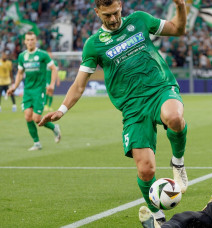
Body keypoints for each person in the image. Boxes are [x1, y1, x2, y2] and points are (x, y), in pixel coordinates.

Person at [38, 0, 188, 223]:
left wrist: (180, 6)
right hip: (132, 108)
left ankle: (178, 162)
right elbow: (79, 85)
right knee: (146, 170)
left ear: (121, 6)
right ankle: (157, 217)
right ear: (97, 13)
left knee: (174, 117)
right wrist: (62, 110)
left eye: (116, 13)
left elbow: (178, 29)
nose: (114, 19)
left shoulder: (140, 19)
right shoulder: (94, 45)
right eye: (107, 15)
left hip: (160, 89)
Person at [7, 31, 61, 151]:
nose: (30, 42)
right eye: (28, 40)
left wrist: (51, 84)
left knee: (37, 119)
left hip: (39, 90)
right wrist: (14, 87)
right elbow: (20, 73)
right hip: (27, 91)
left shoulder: (42, 54)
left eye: (32, 39)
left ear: (35, 41)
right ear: (25, 41)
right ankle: (37, 143)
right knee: (27, 117)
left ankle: (54, 128)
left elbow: (54, 68)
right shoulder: (22, 56)